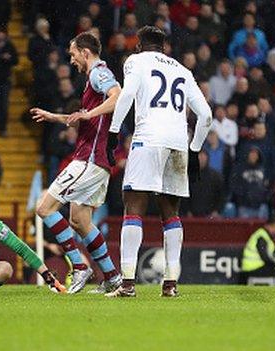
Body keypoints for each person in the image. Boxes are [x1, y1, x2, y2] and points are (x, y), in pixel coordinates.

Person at [105, 26, 212, 297]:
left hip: (148, 140)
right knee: (171, 215)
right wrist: (195, 150)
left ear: (139, 45)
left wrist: (114, 132)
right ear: (164, 47)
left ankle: (127, 284)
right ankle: (171, 284)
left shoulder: (135, 61)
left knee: (134, 208)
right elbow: (206, 115)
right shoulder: (182, 70)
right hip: (178, 143)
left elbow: (127, 95)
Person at [30, 32, 122, 294]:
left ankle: (80, 267)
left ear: (85, 52)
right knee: (80, 221)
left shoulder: (98, 73)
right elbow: (82, 119)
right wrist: (53, 117)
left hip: (88, 160)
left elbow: (118, 95)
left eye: (72, 54)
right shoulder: (91, 82)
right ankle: (113, 277)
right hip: (98, 160)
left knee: (45, 208)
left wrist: (89, 113)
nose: (71, 60)